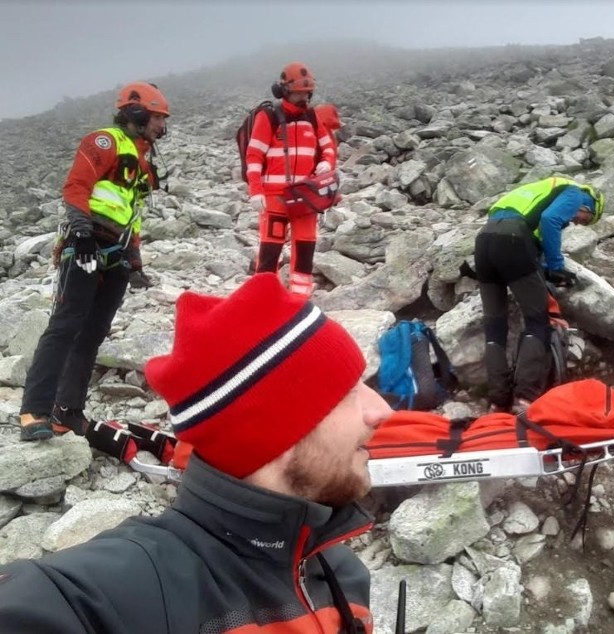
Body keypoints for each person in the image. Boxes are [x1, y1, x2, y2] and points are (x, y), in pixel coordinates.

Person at [0, 273, 393, 632]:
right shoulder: (141, 586)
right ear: (273, 430)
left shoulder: (340, 571)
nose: (383, 410)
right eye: (348, 391)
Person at [19, 82, 169, 442]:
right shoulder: (104, 142)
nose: (162, 127)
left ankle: (67, 412)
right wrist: (82, 234)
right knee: (65, 325)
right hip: (86, 244)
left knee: (92, 335)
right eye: (158, 118)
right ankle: (34, 410)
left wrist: (135, 260)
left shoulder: (141, 157)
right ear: (136, 112)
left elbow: (132, 212)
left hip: (115, 252)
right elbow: (76, 187)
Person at [474, 176, 604, 413]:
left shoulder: (536, 192)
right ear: (591, 205)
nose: (576, 221)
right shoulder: (575, 193)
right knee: (538, 321)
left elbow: (535, 238)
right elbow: (550, 219)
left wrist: (541, 267)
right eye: (584, 220)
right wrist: (556, 266)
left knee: (494, 329)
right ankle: (525, 397)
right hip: (513, 238)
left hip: (483, 242)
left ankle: (497, 400)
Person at [246, 61, 337, 296]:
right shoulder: (268, 116)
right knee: (270, 249)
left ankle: (299, 299)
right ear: (284, 90)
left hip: (305, 196)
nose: (303, 98)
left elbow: (328, 147)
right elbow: (254, 155)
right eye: (298, 93)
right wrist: (255, 190)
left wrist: (327, 162)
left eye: (307, 93)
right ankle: (262, 298)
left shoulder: (313, 117)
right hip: (274, 196)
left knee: (306, 247)